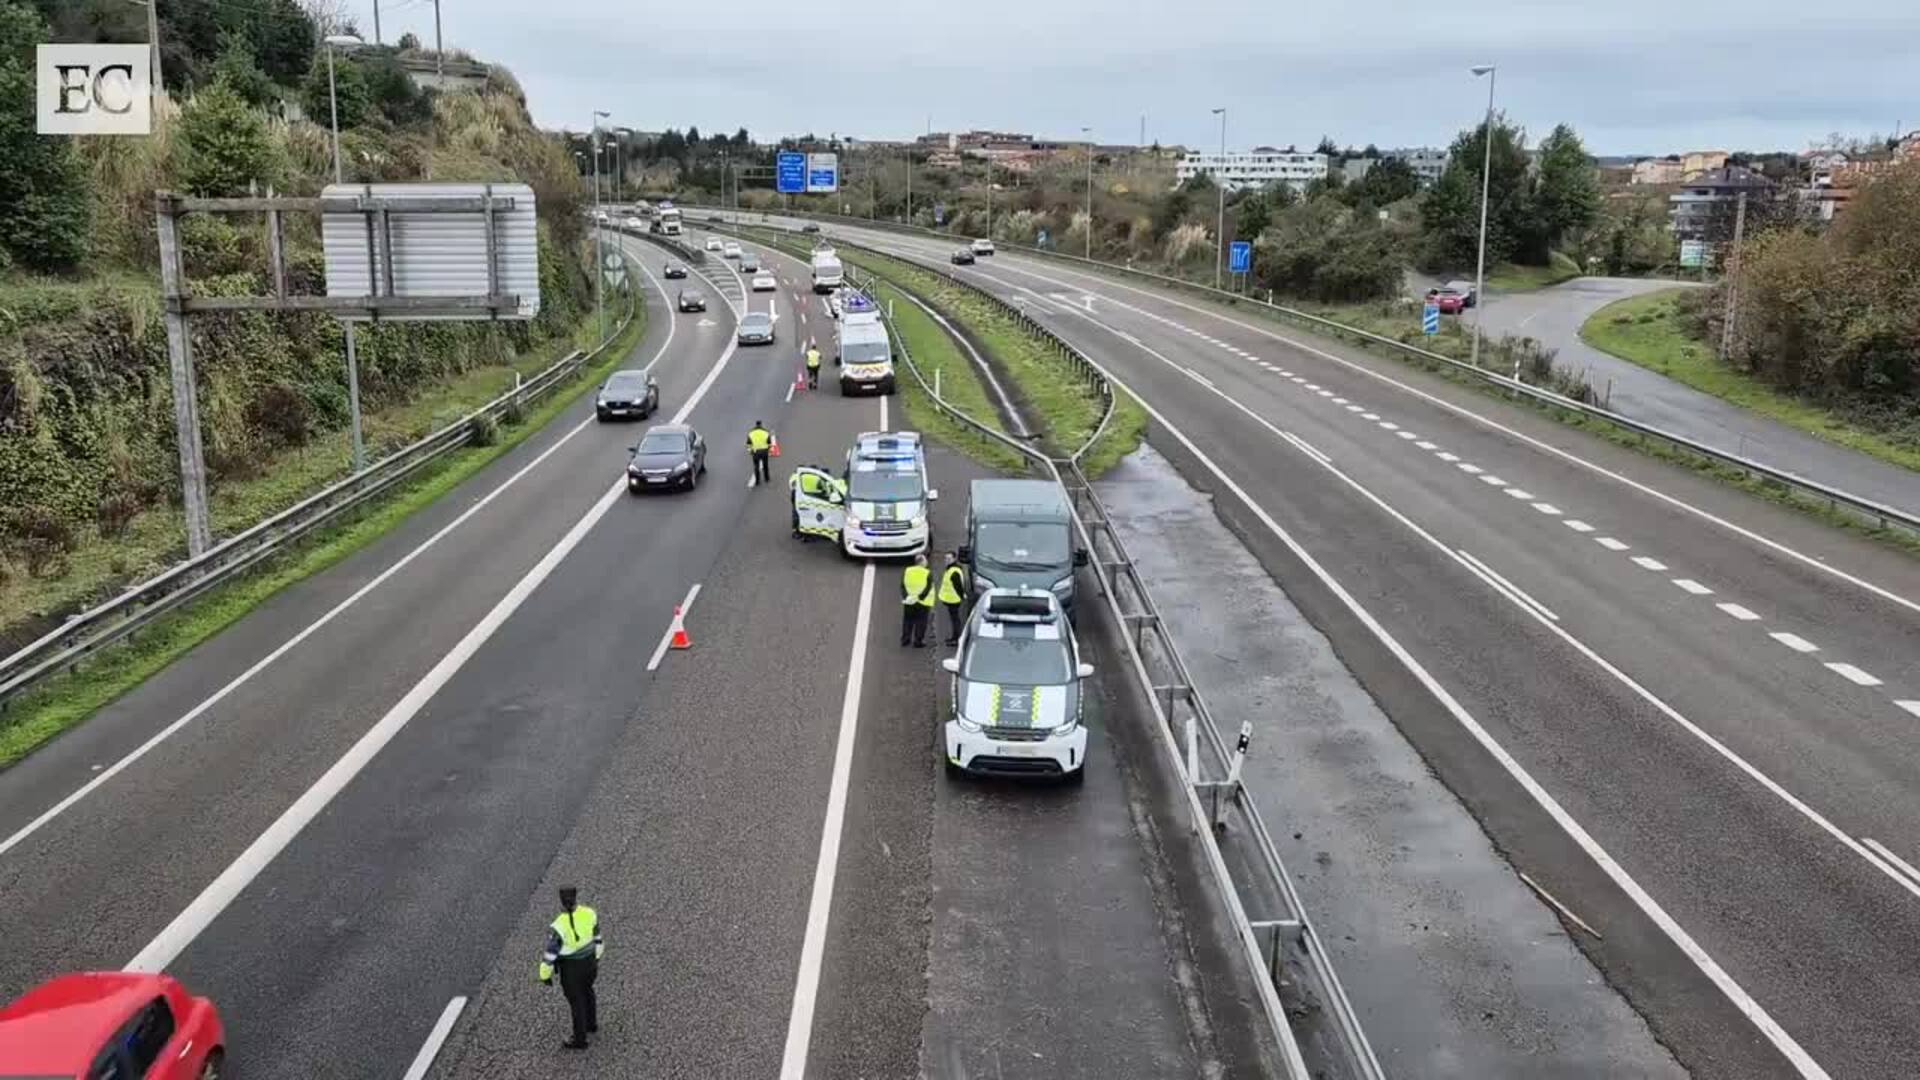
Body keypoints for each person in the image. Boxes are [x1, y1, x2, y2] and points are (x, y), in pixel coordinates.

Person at [538, 885, 603, 1051]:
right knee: (588, 990)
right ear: (576, 897)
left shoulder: (559, 926)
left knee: (576, 1001)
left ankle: (580, 1039)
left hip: (571, 969)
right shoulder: (589, 914)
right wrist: (596, 957)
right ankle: (591, 1024)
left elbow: (550, 954)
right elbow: (598, 937)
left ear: (561, 901)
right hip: (589, 963)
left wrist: (544, 974)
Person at [901, 553, 935, 647]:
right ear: (921, 562)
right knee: (921, 622)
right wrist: (920, 597)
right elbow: (928, 588)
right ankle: (918, 641)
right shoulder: (927, 573)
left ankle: (905, 639)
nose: (926, 562)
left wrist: (906, 597)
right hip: (922, 602)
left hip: (909, 601)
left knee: (908, 621)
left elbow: (903, 585)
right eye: (925, 561)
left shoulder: (907, 571)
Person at [938, 551, 969, 645]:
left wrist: (961, 597)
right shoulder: (951, 569)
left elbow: (958, 586)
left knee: (955, 620)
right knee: (954, 619)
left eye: (949, 558)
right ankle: (955, 638)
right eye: (946, 558)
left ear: (954, 559)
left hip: (954, 600)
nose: (946, 560)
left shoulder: (954, 571)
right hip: (951, 599)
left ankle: (956, 639)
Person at [746, 421, 773, 486]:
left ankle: (757, 481)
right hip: (764, 451)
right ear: (761, 425)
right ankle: (767, 478)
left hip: (755, 452)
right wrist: (769, 450)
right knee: (765, 465)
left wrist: (750, 451)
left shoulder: (751, 433)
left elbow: (748, 444)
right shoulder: (765, 432)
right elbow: (769, 443)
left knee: (756, 467)